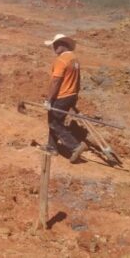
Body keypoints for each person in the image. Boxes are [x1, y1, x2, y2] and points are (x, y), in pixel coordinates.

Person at [43, 33, 87, 162]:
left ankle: (75, 146)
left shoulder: (61, 60)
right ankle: (52, 147)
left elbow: (56, 81)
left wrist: (49, 100)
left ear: (64, 45)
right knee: (55, 120)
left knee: (54, 123)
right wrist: (74, 97)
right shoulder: (74, 59)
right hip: (71, 95)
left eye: (56, 45)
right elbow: (77, 80)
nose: (54, 48)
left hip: (62, 96)